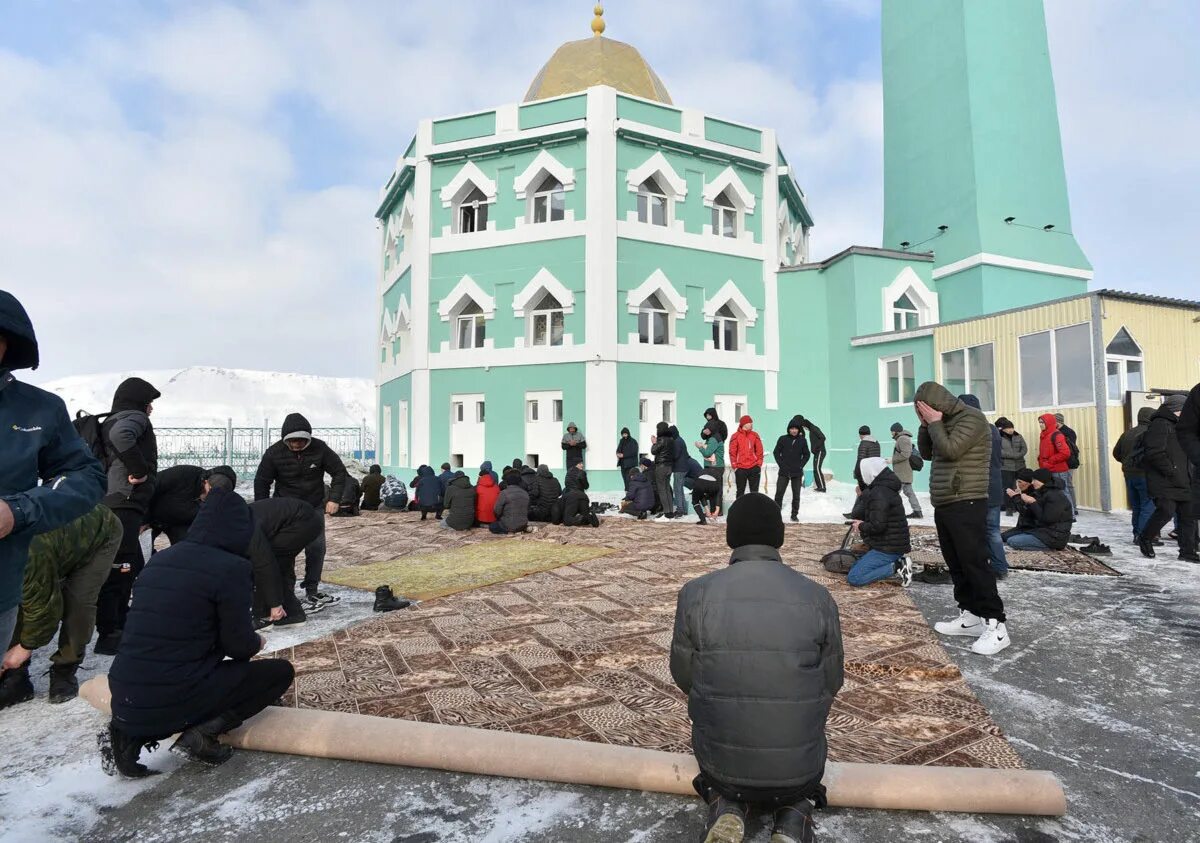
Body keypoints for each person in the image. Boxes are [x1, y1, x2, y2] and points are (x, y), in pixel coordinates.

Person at [671, 493, 842, 843]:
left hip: (722, 768)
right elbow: (831, 681)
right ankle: (794, 817)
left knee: (721, 770)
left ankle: (727, 805)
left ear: (731, 536)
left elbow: (684, 675)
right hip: (799, 770)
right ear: (778, 536)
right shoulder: (818, 596)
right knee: (798, 780)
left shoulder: (695, 593)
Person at [101, 488, 295, 778]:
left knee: (171, 665)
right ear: (241, 529)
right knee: (278, 673)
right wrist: (258, 640)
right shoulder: (231, 568)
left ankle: (128, 735)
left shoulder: (161, 560)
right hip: (174, 694)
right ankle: (202, 734)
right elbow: (239, 646)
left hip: (124, 694)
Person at [1, 292, 107, 657]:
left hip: (2, 586)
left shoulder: (38, 410)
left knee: (81, 598)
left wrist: (18, 510)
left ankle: (64, 669)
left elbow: (85, 475)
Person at [915, 382, 1009, 656]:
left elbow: (952, 450)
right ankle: (970, 616)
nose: (925, 414)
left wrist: (934, 423)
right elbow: (929, 453)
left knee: (974, 562)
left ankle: (996, 625)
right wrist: (926, 425)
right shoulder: (941, 421)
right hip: (946, 500)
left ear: (939, 403)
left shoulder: (973, 419)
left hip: (967, 499)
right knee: (955, 561)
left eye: (926, 409)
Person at [0, 504, 121, 708]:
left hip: (99, 533)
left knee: (79, 603)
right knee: (11, 602)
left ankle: (65, 668)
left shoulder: (26, 554)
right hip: (56, 542)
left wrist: (24, 647)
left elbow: (44, 609)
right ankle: (17, 679)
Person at [94, 376, 162, 656]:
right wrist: (140, 470)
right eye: (149, 403)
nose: (151, 409)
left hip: (113, 501)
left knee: (131, 562)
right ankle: (111, 633)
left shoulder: (110, 418)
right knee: (119, 567)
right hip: (124, 502)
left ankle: (124, 620)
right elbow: (122, 436)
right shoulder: (132, 418)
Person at [254, 412, 347, 614]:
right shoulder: (274, 453)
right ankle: (286, 593)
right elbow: (262, 481)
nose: (296, 444)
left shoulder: (320, 449)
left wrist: (334, 499)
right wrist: (262, 511)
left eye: (301, 440)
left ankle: (312, 589)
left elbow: (340, 472)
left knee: (317, 549)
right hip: (285, 512)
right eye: (292, 441)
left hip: (313, 507)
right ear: (285, 439)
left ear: (308, 438)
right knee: (284, 551)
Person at [246, 492, 324, 628]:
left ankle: (270, 615)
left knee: (270, 564)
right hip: (298, 517)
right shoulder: (236, 520)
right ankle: (288, 612)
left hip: (302, 522)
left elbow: (264, 565)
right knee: (275, 564)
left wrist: (272, 603)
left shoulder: (245, 529)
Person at [1138, 394, 1198, 561]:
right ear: (1175, 409)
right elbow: (1154, 452)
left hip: (1186, 478)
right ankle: (1145, 537)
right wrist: (1171, 470)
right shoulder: (1160, 424)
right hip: (1165, 479)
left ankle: (1187, 552)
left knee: (1188, 516)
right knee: (1166, 511)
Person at [960, 395, 1008, 579]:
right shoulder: (993, 430)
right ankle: (999, 566)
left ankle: (981, 566)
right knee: (992, 530)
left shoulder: (972, 431)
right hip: (994, 485)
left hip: (977, 487)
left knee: (973, 530)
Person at [846, 457, 913, 587]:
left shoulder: (879, 493)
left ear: (870, 473)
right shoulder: (883, 489)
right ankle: (897, 562)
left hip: (888, 549)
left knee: (854, 577)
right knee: (854, 564)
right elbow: (874, 517)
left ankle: (898, 566)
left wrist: (861, 525)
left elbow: (877, 526)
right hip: (889, 545)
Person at [1112, 408, 1157, 541]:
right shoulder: (1151, 433)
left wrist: (1126, 462)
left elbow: (1116, 453)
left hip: (1129, 474)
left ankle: (1137, 534)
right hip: (1145, 474)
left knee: (1136, 505)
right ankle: (1144, 537)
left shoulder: (1127, 433)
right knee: (1147, 505)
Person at [1002, 469, 1073, 551]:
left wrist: (1032, 502)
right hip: (1042, 531)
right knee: (1005, 537)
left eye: (1034, 480)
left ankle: (1050, 547)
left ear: (1042, 480)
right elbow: (1029, 513)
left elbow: (1047, 519)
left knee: (1013, 541)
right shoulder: (1042, 492)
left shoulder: (1055, 496)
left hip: (1054, 537)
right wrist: (1017, 498)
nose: (1032, 483)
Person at [146, 464, 205, 546]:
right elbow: (150, 488)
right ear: (206, 482)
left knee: (187, 547)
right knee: (140, 546)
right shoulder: (185, 473)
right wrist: (144, 520)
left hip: (178, 523)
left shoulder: (216, 500)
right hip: (151, 514)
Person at [1036, 414, 1076, 517]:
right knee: (1053, 493)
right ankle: (1058, 514)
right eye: (1039, 422)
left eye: (1042, 422)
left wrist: (1050, 461)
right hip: (1048, 469)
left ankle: (1070, 515)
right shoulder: (1044, 434)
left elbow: (1065, 453)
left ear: (1049, 423)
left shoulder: (1057, 435)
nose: (1040, 425)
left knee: (1063, 492)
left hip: (1059, 471)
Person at [773, 416, 810, 523]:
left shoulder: (802, 440)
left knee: (796, 495)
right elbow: (776, 452)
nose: (794, 431)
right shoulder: (783, 439)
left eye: (796, 429)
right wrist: (781, 464)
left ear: (798, 430)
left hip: (797, 473)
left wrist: (800, 465)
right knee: (779, 493)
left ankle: (794, 515)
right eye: (792, 428)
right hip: (784, 472)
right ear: (788, 429)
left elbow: (806, 455)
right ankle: (776, 515)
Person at [887, 422, 923, 519]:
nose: (891, 433)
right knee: (909, 492)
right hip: (904, 471)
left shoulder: (902, 439)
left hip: (902, 472)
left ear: (896, 431)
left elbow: (905, 454)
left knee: (893, 492)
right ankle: (917, 511)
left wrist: (892, 460)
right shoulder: (902, 438)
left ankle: (887, 511)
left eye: (892, 431)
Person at [995, 419, 1028, 516]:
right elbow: (999, 451)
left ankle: (1023, 505)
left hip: (1020, 465)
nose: (1010, 430)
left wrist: (1019, 455)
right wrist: (1013, 455)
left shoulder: (1018, 436)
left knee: (1024, 486)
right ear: (1003, 429)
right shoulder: (999, 437)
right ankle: (1009, 508)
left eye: (1012, 427)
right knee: (1008, 488)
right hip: (1006, 467)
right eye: (1008, 428)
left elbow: (1024, 448)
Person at [729, 415, 764, 499]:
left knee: (754, 492)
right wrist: (735, 466)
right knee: (740, 491)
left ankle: (754, 511)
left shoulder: (755, 435)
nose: (751, 424)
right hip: (740, 468)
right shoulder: (735, 436)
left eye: (751, 422)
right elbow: (732, 452)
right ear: (744, 424)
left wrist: (759, 464)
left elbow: (760, 451)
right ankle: (739, 511)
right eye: (749, 422)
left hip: (754, 467)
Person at [695, 424, 725, 515]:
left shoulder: (713, 439)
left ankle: (716, 511)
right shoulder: (714, 438)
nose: (705, 431)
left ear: (711, 429)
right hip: (716, 466)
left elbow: (708, 453)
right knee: (713, 490)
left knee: (715, 490)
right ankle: (714, 511)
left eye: (707, 429)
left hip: (714, 467)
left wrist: (700, 447)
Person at [1054, 413, 1080, 516]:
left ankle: (1073, 507)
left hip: (1068, 462)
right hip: (1059, 462)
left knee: (1068, 484)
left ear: (1058, 421)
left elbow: (1069, 449)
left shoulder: (1068, 432)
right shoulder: (1055, 432)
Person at [651, 422, 676, 517]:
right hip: (669, 467)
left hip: (661, 467)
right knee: (667, 489)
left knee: (662, 490)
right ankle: (670, 511)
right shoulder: (671, 440)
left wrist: (654, 443)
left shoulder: (661, 440)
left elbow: (653, 451)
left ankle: (667, 512)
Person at [797, 416, 827, 493]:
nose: (804, 428)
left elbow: (823, 437)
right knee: (815, 469)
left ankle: (822, 487)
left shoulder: (814, 428)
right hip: (817, 452)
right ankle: (819, 486)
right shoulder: (811, 430)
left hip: (820, 451)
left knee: (817, 469)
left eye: (804, 427)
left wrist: (816, 448)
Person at [669, 425, 691, 518]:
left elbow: (675, 455)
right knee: (680, 489)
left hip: (679, 469)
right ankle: (683, 509)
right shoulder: (679, 439)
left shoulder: (677, 442)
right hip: (683, 468)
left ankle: (680, 510)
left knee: (677, 489)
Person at [852, 426, 880, 493]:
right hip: (874, 473)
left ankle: (861, 503)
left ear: (861, 434)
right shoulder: (876, 443)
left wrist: (856, 473)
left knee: (863, 493)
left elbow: (860, 460)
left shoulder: (863, 443)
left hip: (865, 473)